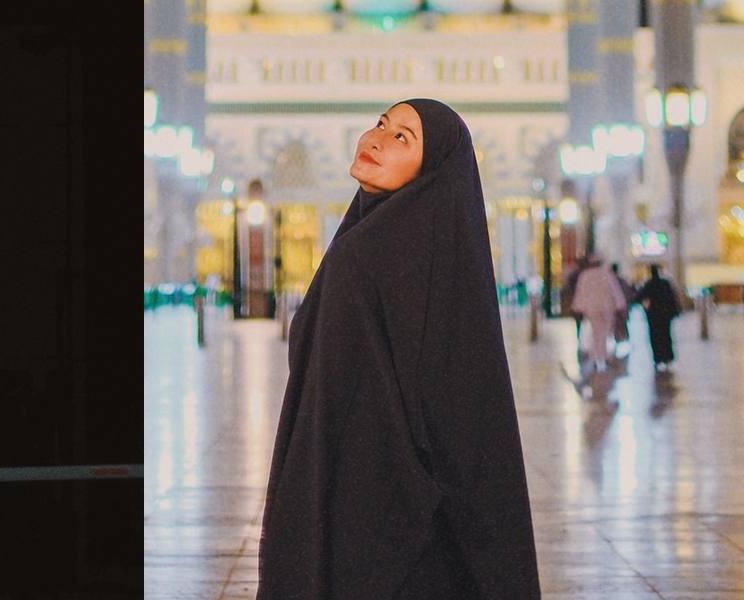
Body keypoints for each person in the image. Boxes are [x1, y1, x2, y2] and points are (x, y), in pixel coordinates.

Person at [257, 99, 540, 599]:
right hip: (415, 519)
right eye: (381, 124)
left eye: (402, 138)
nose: (375, 139)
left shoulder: (366, 254)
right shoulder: (437, 254)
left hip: (364, 511)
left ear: (431, 170)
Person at [570, 253, 626, 371]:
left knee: (596, 333)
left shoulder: (585, 275)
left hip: (592, 309)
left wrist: (578, 307)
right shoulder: (606, 274)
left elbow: (581, 292)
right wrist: (620, 305)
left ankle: (597, 356)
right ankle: (602, 356)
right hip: (606, 308)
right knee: (605, 332)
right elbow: (615, 291)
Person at [634, 263, 682, 370]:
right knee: (666, 334)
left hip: (653, 314)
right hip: (665, 314)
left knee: (655, 336)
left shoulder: (649, 284)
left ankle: (658, 358)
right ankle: (668, 356)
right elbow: (673, 298)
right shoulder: (665, 283)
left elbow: (638, 297)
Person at [610, 262, 634, 348]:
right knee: (623, 324)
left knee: (616, 325)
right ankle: (625, 339)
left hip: (614, 308)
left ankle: (619, 340)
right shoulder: (622, 281)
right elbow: (628, 294)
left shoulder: (610, 283)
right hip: (622, 307)